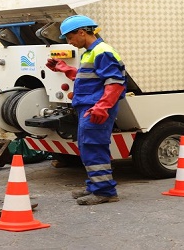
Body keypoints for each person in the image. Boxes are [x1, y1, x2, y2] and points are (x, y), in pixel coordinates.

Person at [45, 14, 126, 205]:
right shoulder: (90, 52)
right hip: (89, 107)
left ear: (82, 32)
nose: (69, 42)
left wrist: (102, 107)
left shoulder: (102, 51)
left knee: (94, 146)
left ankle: (105, 191)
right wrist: (63, 68)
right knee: (87, 146)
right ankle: (94, 186)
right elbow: (87, 78)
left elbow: (115, 83)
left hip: (95, 108)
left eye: (70, 37)